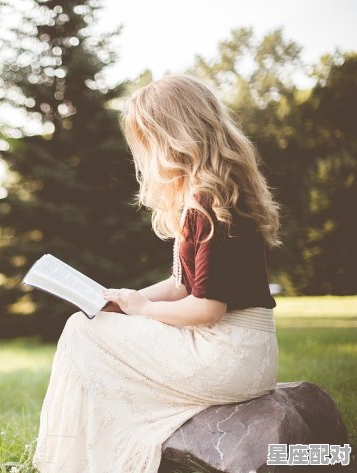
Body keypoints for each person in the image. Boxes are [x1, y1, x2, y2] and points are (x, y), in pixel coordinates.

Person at [31, 73, 282, 473]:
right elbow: (183, 285)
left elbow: (206, 309)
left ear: (173, 136)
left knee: (81, 331)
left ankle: (77, 462)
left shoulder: (207, 201)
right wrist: (123, 298)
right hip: (246, 351)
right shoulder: (220, 191)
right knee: (89, 323)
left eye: (147, 139)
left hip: (227, 353)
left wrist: (142, 309)